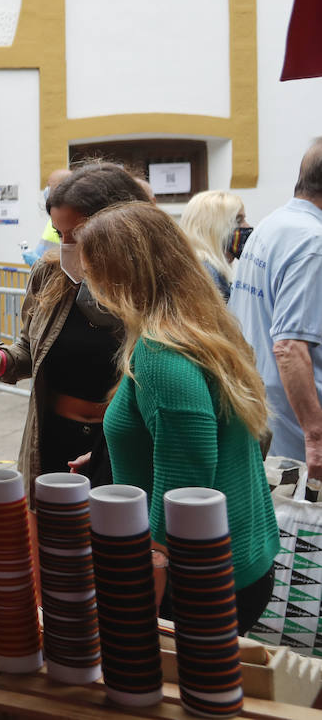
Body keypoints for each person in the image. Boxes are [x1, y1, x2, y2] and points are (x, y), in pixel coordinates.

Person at [80, 201, 279, 632]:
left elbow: (184, 484)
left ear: (120, 275)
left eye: (92, 271)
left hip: (198, 580)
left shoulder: (160, 353)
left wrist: (143, 599)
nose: (89, 285)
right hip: (238, 561)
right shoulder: (200, 325)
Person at [0, 162, 148, 503]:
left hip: (120, 447)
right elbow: (29, 349)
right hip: (53, 440)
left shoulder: (150, 291)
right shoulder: (49, 276)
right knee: (51, 550)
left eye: (76, 235)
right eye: (58, 233)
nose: (66, 247)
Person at [229, 138, 322, 475]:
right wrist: (316, 438)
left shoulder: (273, 223)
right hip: (296, 437)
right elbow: (289, 346)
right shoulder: (313, 242)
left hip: (264, 417)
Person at [179, 189, 249, 301]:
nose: (246, 226)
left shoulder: (199, 268)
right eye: (238, 220)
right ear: (213, 227)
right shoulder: (207, 275)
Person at [25, 168, 71, 265]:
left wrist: (39, 265)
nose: (46, 190)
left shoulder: (69, 221)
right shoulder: (54, 218)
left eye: (49, 186)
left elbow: (69, 264)